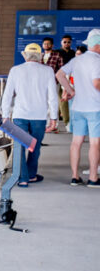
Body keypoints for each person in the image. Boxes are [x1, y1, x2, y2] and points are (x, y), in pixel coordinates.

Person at [1, 43, 58, 186]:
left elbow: (8, 95)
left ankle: (23, 179)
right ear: (41, 56)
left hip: (20, 115)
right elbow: (52, 96)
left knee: (20, 146)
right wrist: (54, 117)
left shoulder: (15, 70)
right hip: (39, 116)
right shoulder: (48, 70)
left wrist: (5, 114)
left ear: (25, 55)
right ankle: (31, 175)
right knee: (35, 146)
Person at [55, 29, 100, 187]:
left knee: (76, 142)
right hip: (95, 107)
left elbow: (60, 74)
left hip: (78, 107)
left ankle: (75, 176)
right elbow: (96, 83)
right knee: (95, 143)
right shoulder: (97, 61)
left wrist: (70, 91)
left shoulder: (78, 59)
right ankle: (93, 178)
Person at [56, 35, 76, 129]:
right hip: (60, 77)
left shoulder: (73, 53)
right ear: (61, 42)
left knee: (69, 98)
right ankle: (65, 120)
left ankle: (68, 120)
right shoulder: (57, 52)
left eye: (68, 42)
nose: (66, 44)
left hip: (71, 77)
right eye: (65, 42)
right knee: (61, 98)